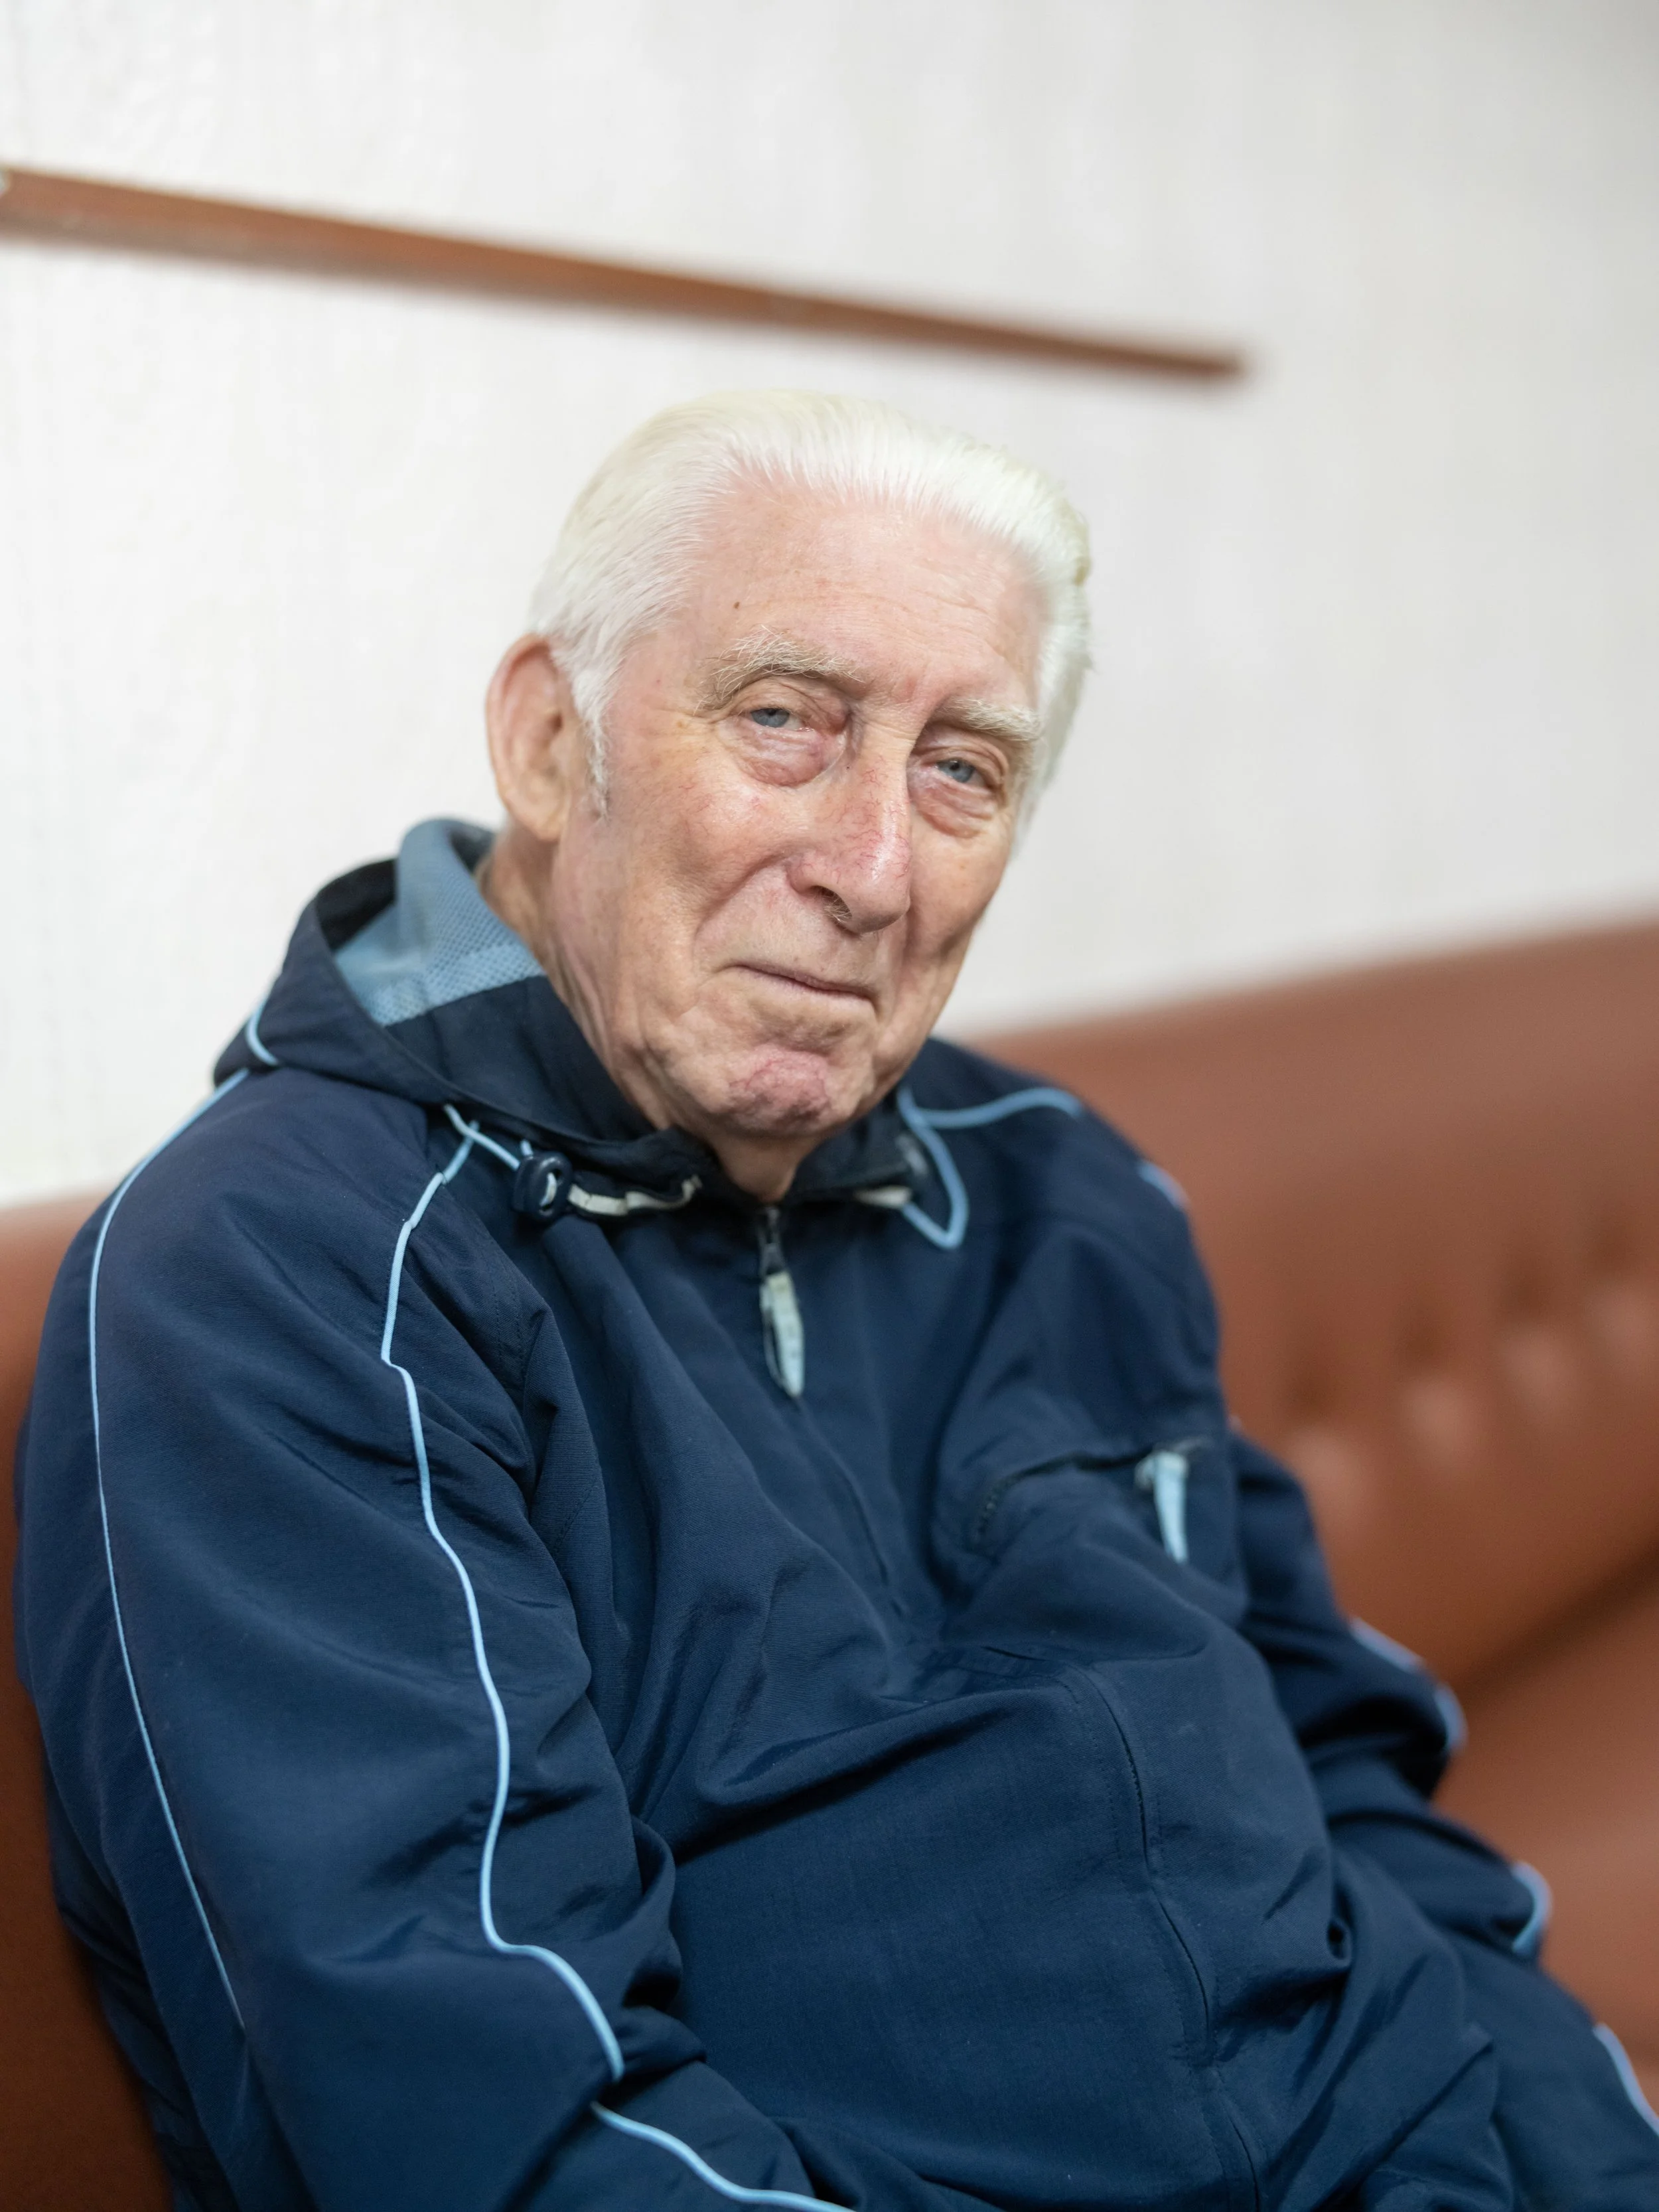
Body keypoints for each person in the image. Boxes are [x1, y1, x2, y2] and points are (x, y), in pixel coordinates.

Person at [17, 392, 1659, 2212]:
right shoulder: (285, 1268)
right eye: (786, 720)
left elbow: (1330, 1768)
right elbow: (494, 2116)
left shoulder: (1059, 1184)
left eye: (962, 768)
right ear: (553, 745)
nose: (871, 869)